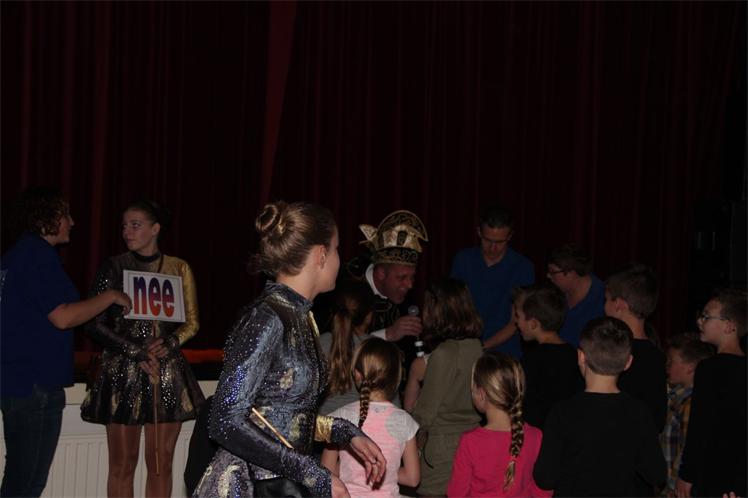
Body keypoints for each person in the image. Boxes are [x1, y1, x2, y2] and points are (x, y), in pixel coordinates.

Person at [193, 201, 385, 498]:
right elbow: (225, 421)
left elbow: (283, 416)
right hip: (250, 486)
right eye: (337, 249)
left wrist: (345, 432)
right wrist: (311, 472)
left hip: (280, 482)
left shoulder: (299, 316)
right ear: (321, 255)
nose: (339, 259)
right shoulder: (267, 317)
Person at [0, 187, 132, 498]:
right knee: (26, 484)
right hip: (34, 384)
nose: (71, 222)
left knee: (19, 478)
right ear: (46, 218)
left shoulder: (16, 255)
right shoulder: (36, 255)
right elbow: (62, 317)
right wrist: (111, 296)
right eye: (65, 215)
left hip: (18, 381)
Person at [80, 199, 205, 497]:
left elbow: (192, 323)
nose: (127, 231)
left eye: (135, 225)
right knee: (122, 465)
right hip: (123, 370)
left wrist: (171, 342)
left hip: (165, 370)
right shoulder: (114, 266)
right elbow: (93, 323)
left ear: (155, 229)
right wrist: (135, 351)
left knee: (161, 464)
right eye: (124, 226)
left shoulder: (178, 267)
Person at [533, 317, 666, 496]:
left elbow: (545, 478)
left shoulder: (562, 412)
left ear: (581, 357)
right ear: (628, 362)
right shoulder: (638, 412)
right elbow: (656, 473)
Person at [411, 278, 484, 497]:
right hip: (472, 439)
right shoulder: (476, 346)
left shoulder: (444, 353)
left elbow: (425, 413)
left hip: (442, 449)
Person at [321, 338, 420, 497]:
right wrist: (386, 469)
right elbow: (412, 479)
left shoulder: (338, 419)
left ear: (356, 374)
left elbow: (326, 472)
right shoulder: (405, 421)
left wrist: (352, 468)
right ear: (396, 378)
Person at [447, 352, 550, 498]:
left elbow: (457, 494)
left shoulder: (470, 441)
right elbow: (543, 487)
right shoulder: (536, 436)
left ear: (480, 394)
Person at [676, 289, 747, 498]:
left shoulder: (709, 369)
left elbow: (700, 425)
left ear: (729, 326)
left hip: (714, 472)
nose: (700, 321)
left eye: (707, 316)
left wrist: (686, 474)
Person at [451, 205, 534, 358]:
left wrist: (481, 347)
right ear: (479, 232)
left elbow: (515, 322)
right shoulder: (464, 260)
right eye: (487, 240)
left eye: (500, 242)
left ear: (510, 236)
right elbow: (454, 308)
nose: (493, 248)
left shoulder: (522, 267)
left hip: (505, 353)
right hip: (464, 345)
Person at [345, 210, 429, 348]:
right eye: (402, 277)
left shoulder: (407, 302)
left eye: (412, 277)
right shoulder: (346, 288)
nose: (410, 285)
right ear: (381, 274)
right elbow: (337, 344)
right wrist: (388, 334)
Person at [604, 263, 667, 432]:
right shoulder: (656, 356)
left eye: (607, 299)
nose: (604, 305)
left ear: (619, 304)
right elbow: (658, 419)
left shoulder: (612, 352)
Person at [514, 283, 583, 429]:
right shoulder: (575, 354)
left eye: (518, 316)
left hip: (539, 433)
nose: (516, 321)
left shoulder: (531, 360)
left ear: (533, 324)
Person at [659, 333, 713, 497]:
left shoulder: (691, 403)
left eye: (671, 361)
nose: (667, 365)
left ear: (691, 367)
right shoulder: (675, 397)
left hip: (676, 487)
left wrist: (673, 486)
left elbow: (686, 449)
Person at [319, 281, 376, 415]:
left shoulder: (320, 342)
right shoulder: (376, 349)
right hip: (362, 424)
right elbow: (390, 403)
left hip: (322, 423)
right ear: (369, 315)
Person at [546, 244, 605, 347]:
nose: (548, 275)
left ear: (571, 273)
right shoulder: (555, 293)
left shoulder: (603, 299)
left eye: (552, 272)